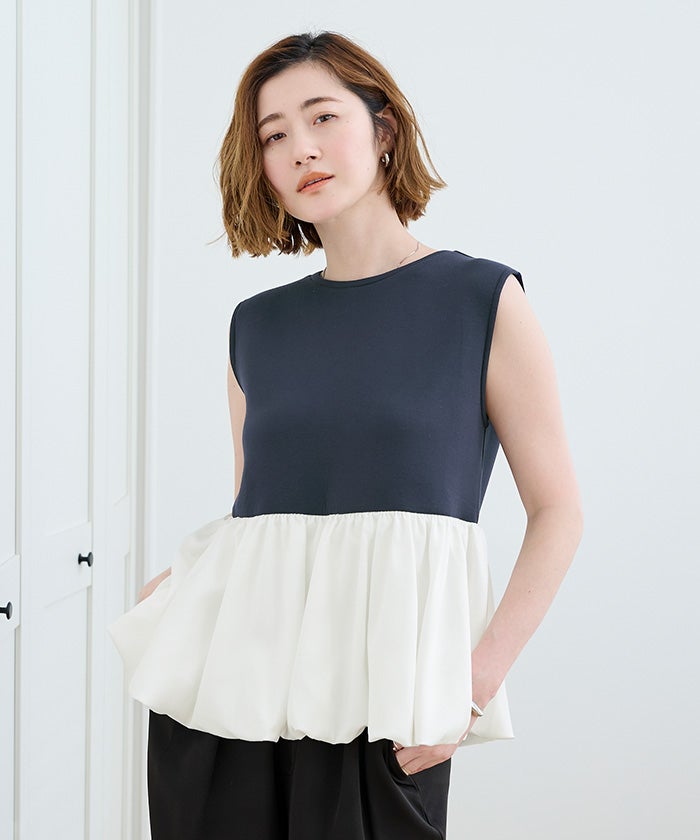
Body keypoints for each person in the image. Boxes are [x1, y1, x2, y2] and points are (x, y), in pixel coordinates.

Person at [109, 30, 583, 840]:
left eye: (323, 117)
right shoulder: (256, 326)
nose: (301, 148)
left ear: (383, 128)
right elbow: (259, 512)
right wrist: (191, 577)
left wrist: (473, 686)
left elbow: (559, 511)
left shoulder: (480, 299)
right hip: (232, 694)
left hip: (387, 703)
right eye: (274, 135)